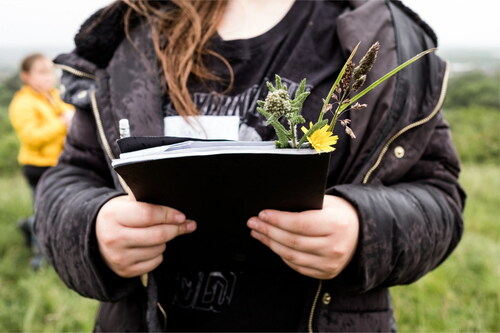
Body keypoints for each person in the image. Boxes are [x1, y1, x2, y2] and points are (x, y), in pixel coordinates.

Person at [35, 0, 465, 331]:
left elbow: (440, 195)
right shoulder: (130, 37)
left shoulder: (385, 40)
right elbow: (68, 179)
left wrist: (364, 229)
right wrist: (94, 230)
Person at [9, 53, 74, 269]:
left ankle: (30, 227)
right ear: (26, 76)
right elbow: (32, 137)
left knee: (54, 209)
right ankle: (41, 258)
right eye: (42, 72)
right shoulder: (22, 103)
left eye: (50, 71)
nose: (49, 77)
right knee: (45, 212)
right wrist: (62, 123)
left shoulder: (54, 95)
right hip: (39, 166)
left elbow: (71, 113)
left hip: (59, 162)